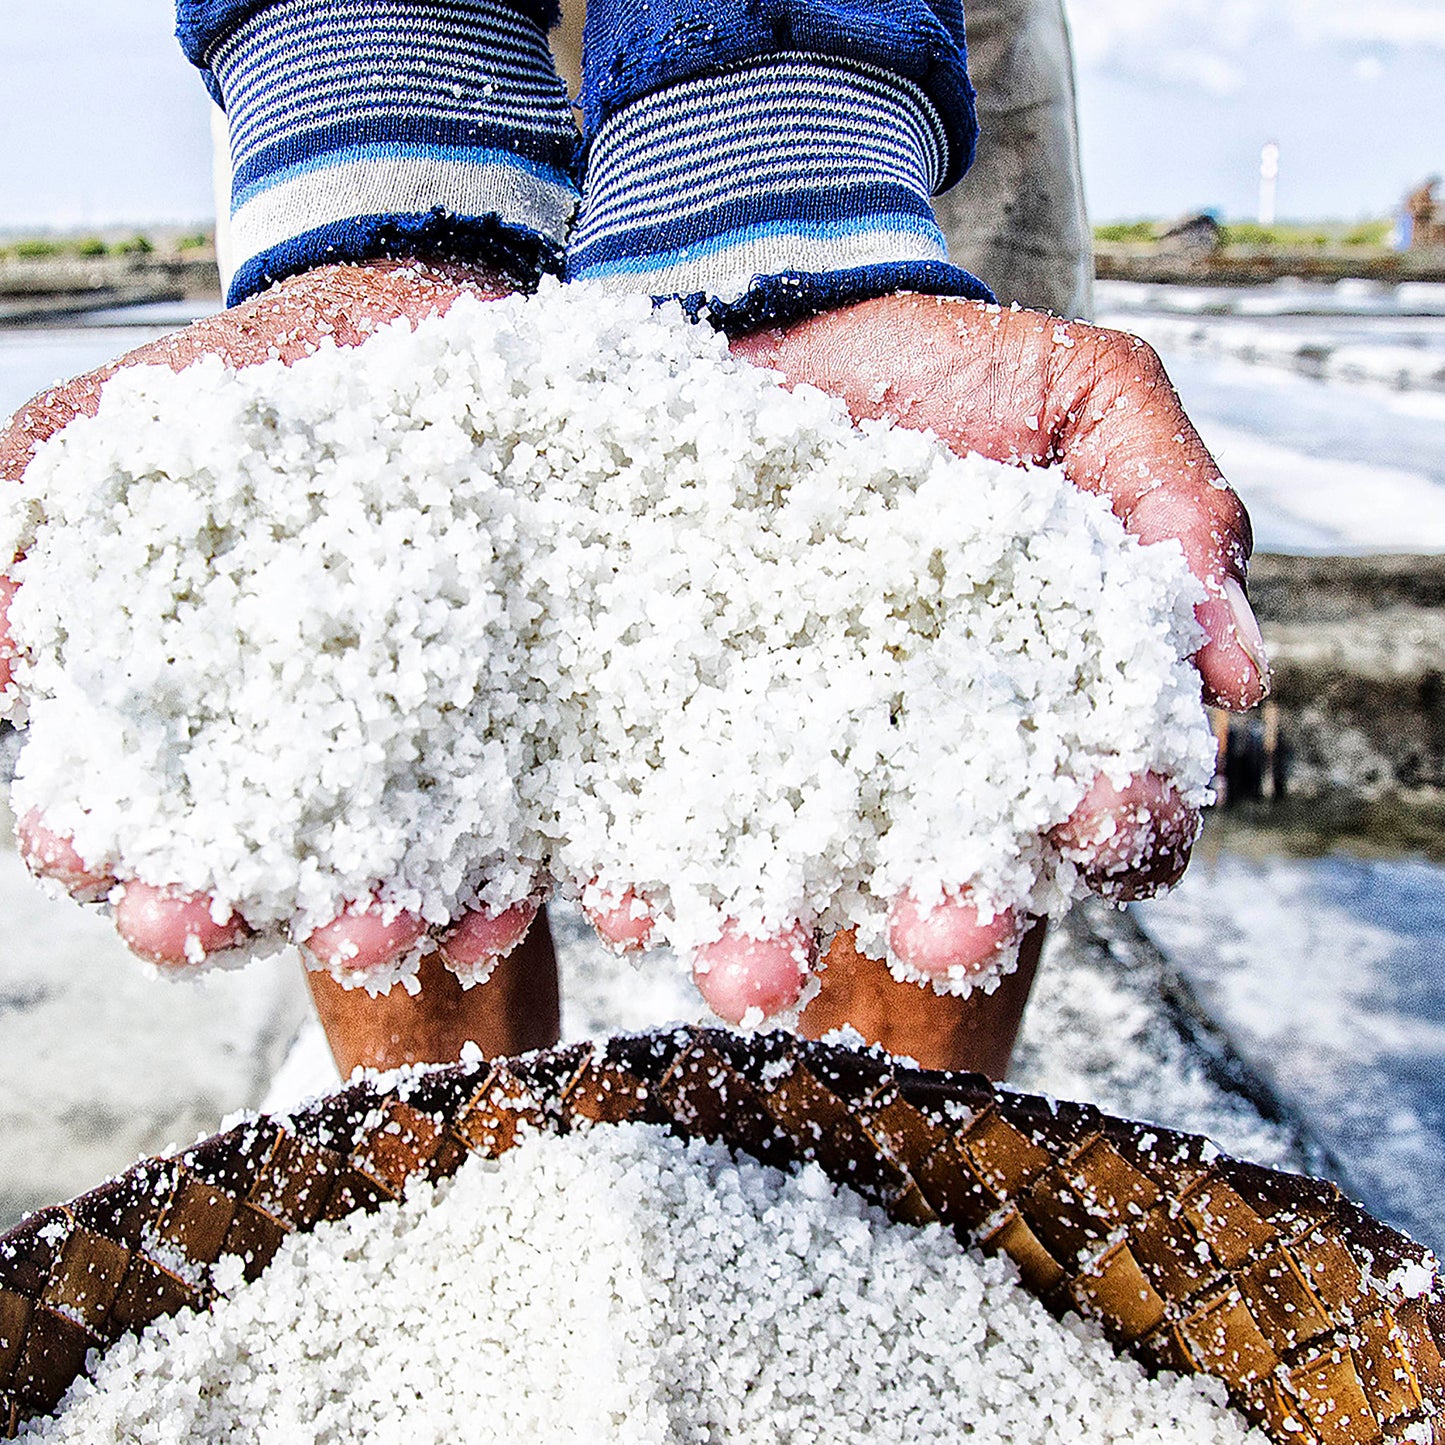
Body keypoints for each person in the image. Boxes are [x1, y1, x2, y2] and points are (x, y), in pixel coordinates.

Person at [0, 0, 1266, 1080]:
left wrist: (781, 132)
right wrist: (373, 91)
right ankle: (471, 1228)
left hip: (890, 39)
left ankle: (876, 1218)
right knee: (369, 712)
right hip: (357, 38)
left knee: (955, 743)